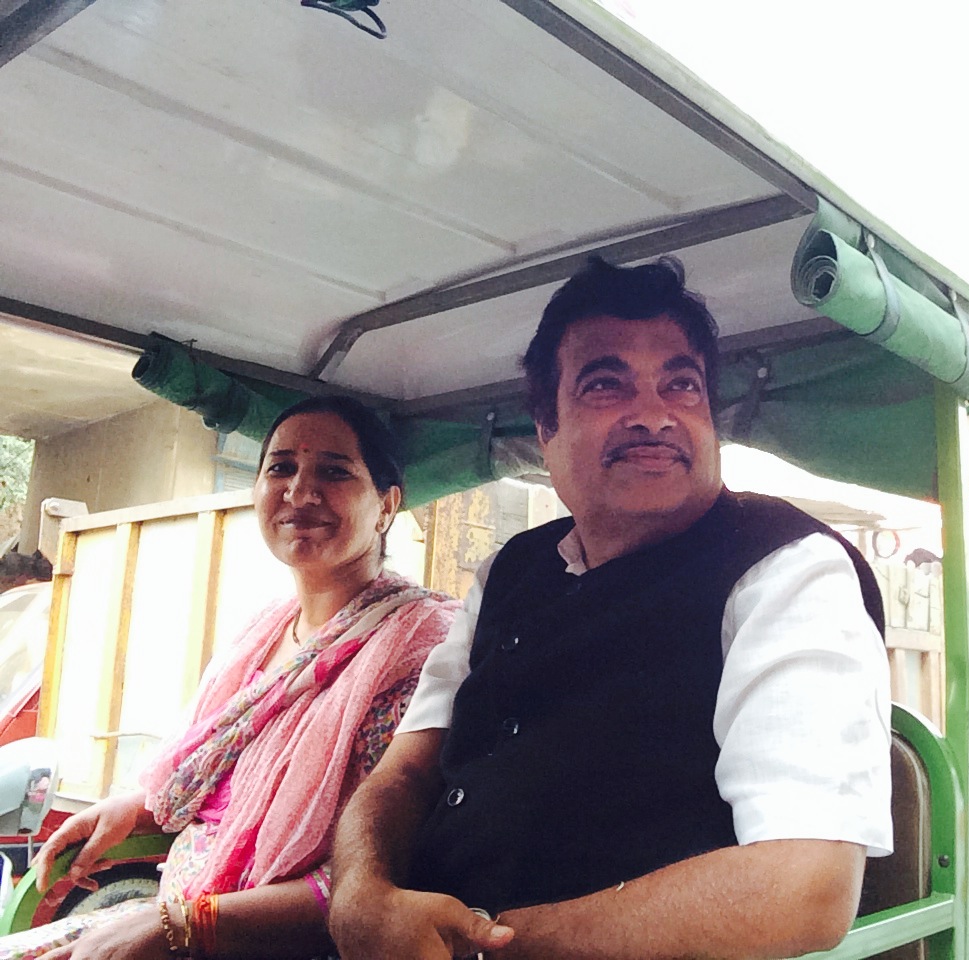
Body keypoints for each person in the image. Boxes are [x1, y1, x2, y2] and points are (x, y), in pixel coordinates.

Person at [329, 256, 892, 960]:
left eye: (682, 385)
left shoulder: (785, 568)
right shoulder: (508, 571)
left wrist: (480, 949)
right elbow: (405, 772)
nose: (655, 415)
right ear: (547, 430)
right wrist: (358, 895)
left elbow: (803, 886)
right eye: (605, 384)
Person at [0, 396, 458, 960]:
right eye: (281, 468)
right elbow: (213, 782)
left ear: (386, 506)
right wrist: (134, 810)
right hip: (174, 913)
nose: (300, 492)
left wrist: (184, 927)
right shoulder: (263, 633)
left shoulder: (412, 651)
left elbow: (368, 876)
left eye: (335, 472)